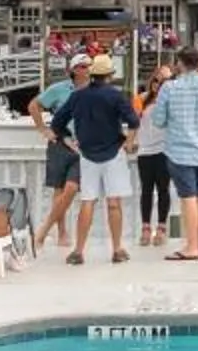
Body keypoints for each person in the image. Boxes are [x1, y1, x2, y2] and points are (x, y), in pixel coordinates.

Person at [51, 57, 139, 263]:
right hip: (113, 153)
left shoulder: (77, 96)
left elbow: (57, 123)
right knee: (114, 203)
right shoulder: (116, 96)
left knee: (87, 202)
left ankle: (78, 251)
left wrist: (68, 139)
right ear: (110, 75)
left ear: (91, 74)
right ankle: (117, 249)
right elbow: (134, 122)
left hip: (87, 154)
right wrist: (128, 143)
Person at [147, 52, 198, 260]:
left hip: (179, 150)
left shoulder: (170, 88)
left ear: (179, 64)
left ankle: (190, 246)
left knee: (188, 198)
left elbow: (158, 120)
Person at [33, 58, 90, 249]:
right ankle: (62, 232)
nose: (86, 69)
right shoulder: (59, 89)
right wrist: (43, 129)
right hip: (59, 142)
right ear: (73, 70)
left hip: (82, 146)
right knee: (58, 189)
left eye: (88, 66)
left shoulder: (94, 90)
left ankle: (44, 229)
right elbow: (35, 105)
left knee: (71, 188)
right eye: (82, 66)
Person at [133, 59, 176, 248]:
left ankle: (161, 227)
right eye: (156, 80)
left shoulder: (173, 100)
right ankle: (145, 228)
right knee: (146, 190)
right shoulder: (142, 99)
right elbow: (133, 122)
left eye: (165, 81)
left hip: (164, 149)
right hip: (145, 149)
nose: (159, 85)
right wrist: (130, 141)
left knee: (164, 189)